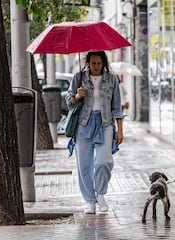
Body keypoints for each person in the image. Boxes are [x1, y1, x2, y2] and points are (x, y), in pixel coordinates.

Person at [65, 51, 124, 214]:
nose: (96, 67)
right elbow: (69, 101)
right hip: (84, 123)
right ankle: (90, 201)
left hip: (105, 123)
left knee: (104, 162)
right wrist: (77, 95)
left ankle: (100, 193)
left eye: (99, 63)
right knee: (84, 165)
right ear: (88, 63)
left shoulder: (112, 79)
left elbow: (117, 106)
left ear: (103, 63)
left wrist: (120, 130)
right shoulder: (79, 77)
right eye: (93, 64)